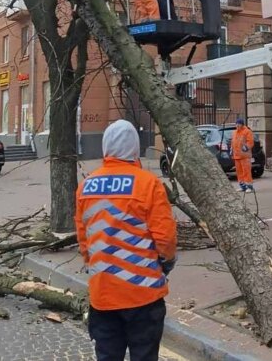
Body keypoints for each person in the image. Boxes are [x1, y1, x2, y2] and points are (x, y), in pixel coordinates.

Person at [75, 119, 177, 361]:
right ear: (134, 148)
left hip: (103, 295)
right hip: (143, 295)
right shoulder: (148, 184)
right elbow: (165, 238)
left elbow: (84, 240)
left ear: (105, 147)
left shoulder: (86, 186)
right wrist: (166, 263)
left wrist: (95, 266)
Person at [232, 118, 255, 192]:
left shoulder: (247, 131)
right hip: (237, 155)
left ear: (242, 124)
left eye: (238, 124)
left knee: (246, 171)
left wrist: (246, 147)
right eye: (236, 124)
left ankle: (249, 187)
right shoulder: (235, 132)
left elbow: (250, 142)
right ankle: (242, 186)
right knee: (239, 172)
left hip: (245, 155)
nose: (237, 125)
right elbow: (233, 142)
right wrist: (231, 149)